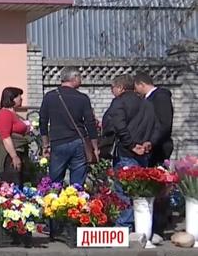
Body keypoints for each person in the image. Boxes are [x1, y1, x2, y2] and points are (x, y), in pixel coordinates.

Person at [101, 74, 161, 231]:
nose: (112, 91)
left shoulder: (119, 102)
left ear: (120, 87)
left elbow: (118, 126)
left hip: (126, 152)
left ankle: (124, 227)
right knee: (139, 191)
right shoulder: (146, 103)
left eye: (112, 88)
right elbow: (156, 127)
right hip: (144, 153)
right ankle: (140, 226)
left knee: (124, 191)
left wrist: (131, 145)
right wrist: (149, 143)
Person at [39, 66, 99, 187]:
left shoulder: (50, 96)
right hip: (78, 142)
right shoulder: (82, 98)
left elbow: (43, 122)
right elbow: (90, 124)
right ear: (74, 78)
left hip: (58, 142)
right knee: (77, 183)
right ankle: (76, 197)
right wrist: (95, 147)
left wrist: (45, 144)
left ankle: (54, 197)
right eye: (80, 77)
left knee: (55, 182)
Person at [134, 72, 174, 242]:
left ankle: (159, 228)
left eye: (136, 88)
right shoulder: (149, 99)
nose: (135, 92)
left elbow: (164, 124)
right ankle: (149, 225)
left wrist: (152, 141)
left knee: (160, 189)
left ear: (141, 84)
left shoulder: (160, 97)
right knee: (151, 189)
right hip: (150, 148)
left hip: (159, 148)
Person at [0, 87, 31, 185]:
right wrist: (14, 156)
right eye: (19, 97)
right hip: (8, 155)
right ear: (12, 98)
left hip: (18, 151)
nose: (21, 99)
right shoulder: (5, 114)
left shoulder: (12, 113)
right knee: (12, 184)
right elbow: (6, 137)